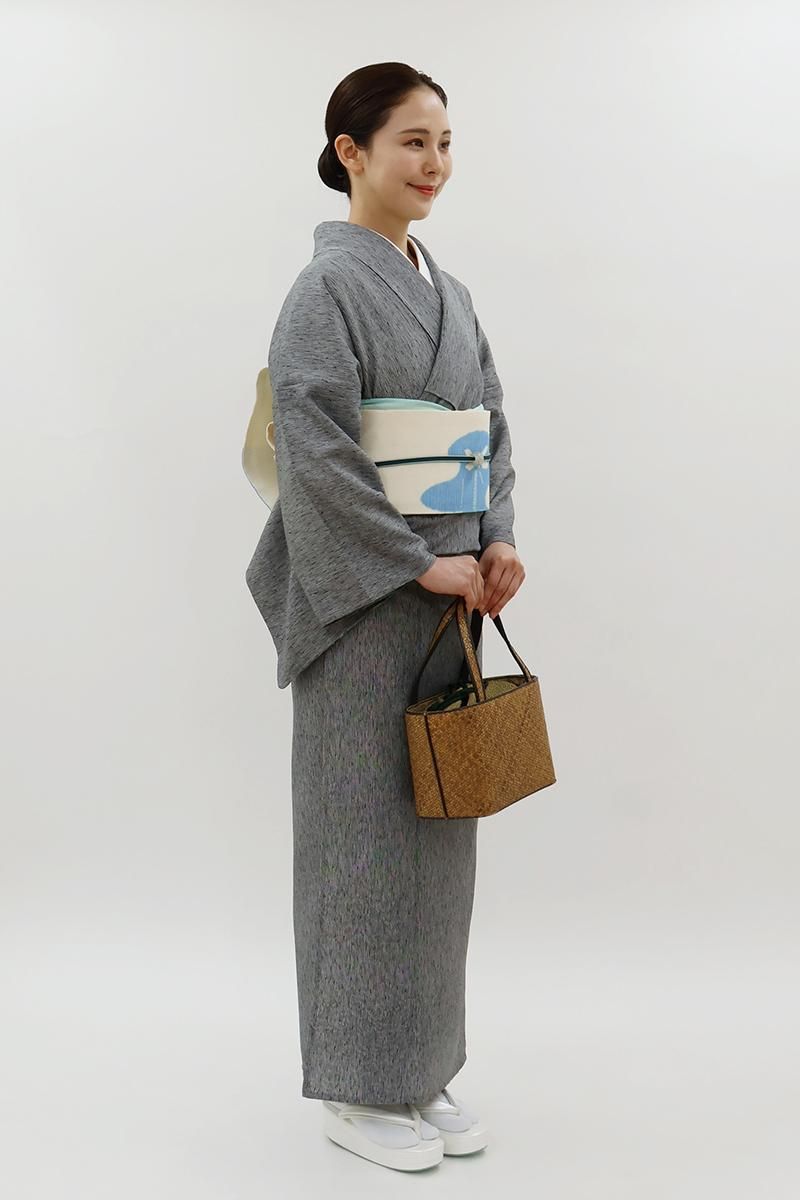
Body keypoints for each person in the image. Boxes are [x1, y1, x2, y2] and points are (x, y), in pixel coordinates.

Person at [245, 62, 524, 1171]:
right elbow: (315, 452)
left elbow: (488, 426)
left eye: (444, 142)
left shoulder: (451, 294)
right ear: (349, 152)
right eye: (412, 141)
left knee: (437, 841)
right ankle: (356, 1087)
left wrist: (494, 537)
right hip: (363, 606)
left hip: (448, 600)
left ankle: (420, 1067)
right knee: (359, 842)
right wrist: (414, 564)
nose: (434, 163)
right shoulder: (324, 292)